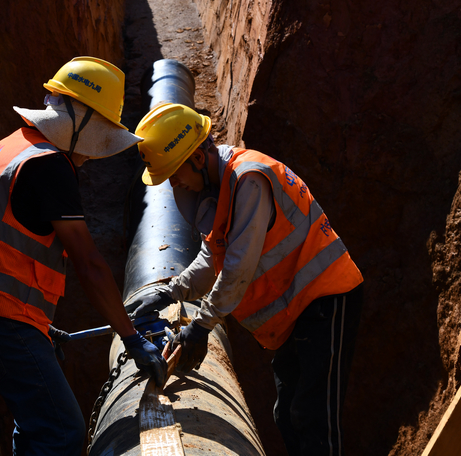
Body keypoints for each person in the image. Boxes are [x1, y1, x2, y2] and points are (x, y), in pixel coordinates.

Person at [0, 57, 167, 456]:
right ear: (82, 124)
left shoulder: (14, 146)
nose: (95, 153)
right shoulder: (50, 167)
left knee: (37, 424)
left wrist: (39, 327)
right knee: (61, 429)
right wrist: (130, 337)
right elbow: (90, 264)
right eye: (100, 136)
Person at [129, 102, 364, 456]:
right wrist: (169, 292)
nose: (175, 184)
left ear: (196, 157)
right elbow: (214, 258)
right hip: (295, 310)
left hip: (326, 297)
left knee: (313, 417)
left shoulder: (249, 180)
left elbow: (237, 268)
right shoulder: (220, 188)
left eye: (174, 174)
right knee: (286, 415)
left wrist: (202, 325)